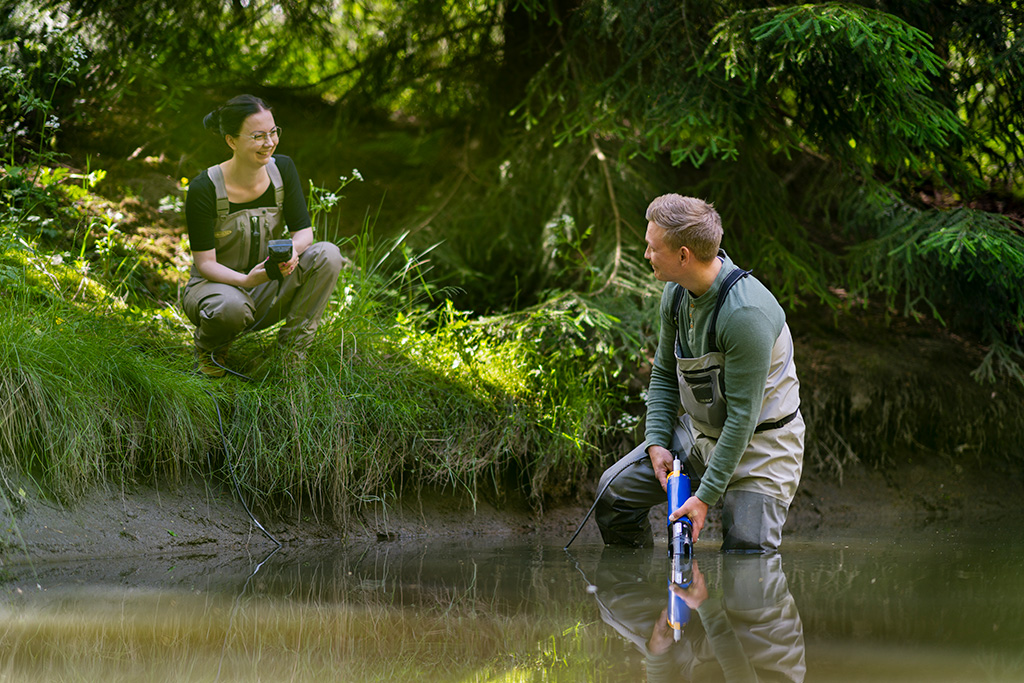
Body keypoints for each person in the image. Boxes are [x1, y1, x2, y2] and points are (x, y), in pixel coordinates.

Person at [595, 194, 803, 552]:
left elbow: (741, 419)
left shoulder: (745, 316)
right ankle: (642, 599)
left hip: (761, 448)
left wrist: (704, 498)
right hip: (700, 435)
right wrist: (658, 439)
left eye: (652, 247)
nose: (646, 256)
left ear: (683, 255)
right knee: (614, 495)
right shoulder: (676, 293)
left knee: (746, 557)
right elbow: (662, 372)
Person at [183, 94, 343, 377]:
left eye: (273, 132)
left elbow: (304, 232)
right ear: (232, 141)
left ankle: (290, 353)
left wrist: (293, 251)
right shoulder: (203, 188)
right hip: (215, 291)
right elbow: (205, 263)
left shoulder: (283, 169)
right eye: (258, 136)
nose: (269, 142)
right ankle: (211, 352)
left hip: (266, 283)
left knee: (328, 254)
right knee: (231, 307)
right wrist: (246, 280)